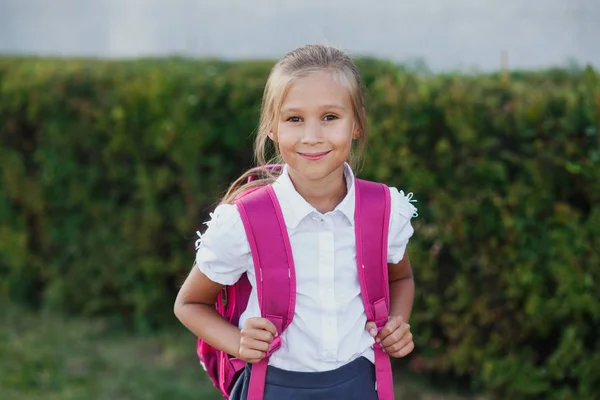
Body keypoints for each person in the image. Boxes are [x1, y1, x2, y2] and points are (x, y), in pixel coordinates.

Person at [174, 44, 418, 399]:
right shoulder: (244, 220)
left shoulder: (384, 209)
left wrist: (397, 321)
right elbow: (190, 304)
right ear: (272, 127)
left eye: (330, 117)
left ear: (357, 124)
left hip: (360, 385)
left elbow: (402, 276)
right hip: (274, 386)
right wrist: (238, 342)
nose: (312, 136)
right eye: (294, 119)